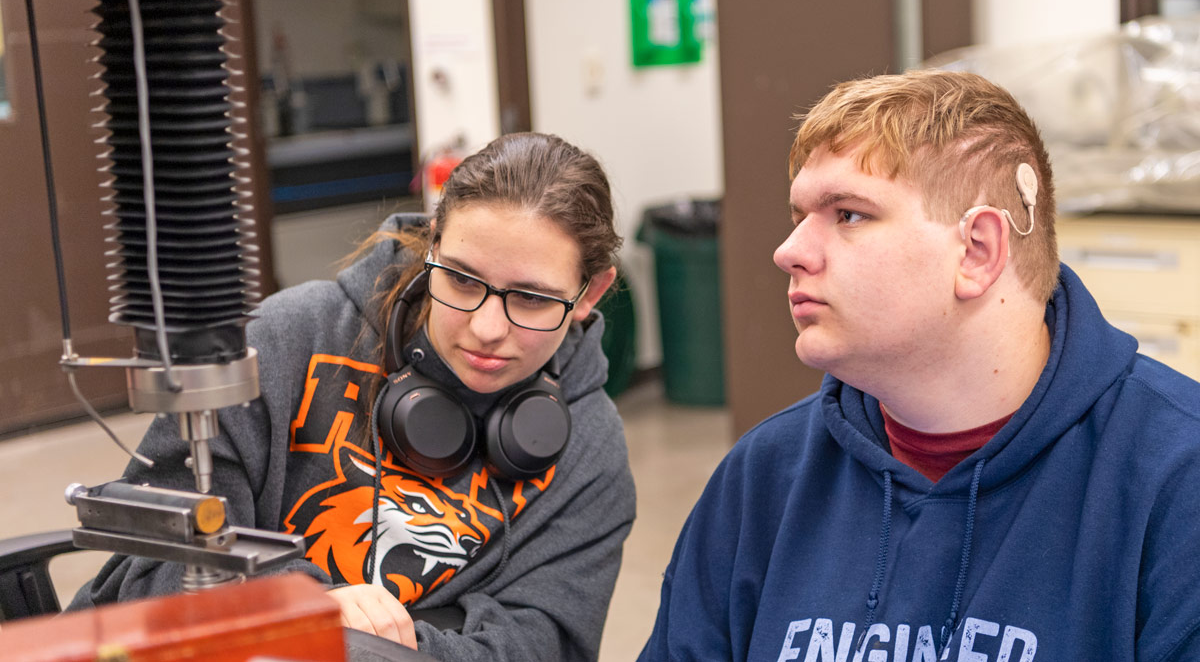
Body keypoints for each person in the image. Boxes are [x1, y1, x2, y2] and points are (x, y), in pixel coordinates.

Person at [640, 69, 1200, 661]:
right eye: (799, 216)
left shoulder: (1174, 478)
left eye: (848, 215)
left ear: (977, 251)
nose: (789, 251)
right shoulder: (762, 477)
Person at [70, 132, 636, 661]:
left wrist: (363, 649)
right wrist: (298, 608)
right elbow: (156, 564)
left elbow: (542, 644)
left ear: (591, 294)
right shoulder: (287, 338)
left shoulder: (590, 448)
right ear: (432, 243)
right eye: (462, 280)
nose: (487, 328)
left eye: (532, 299)